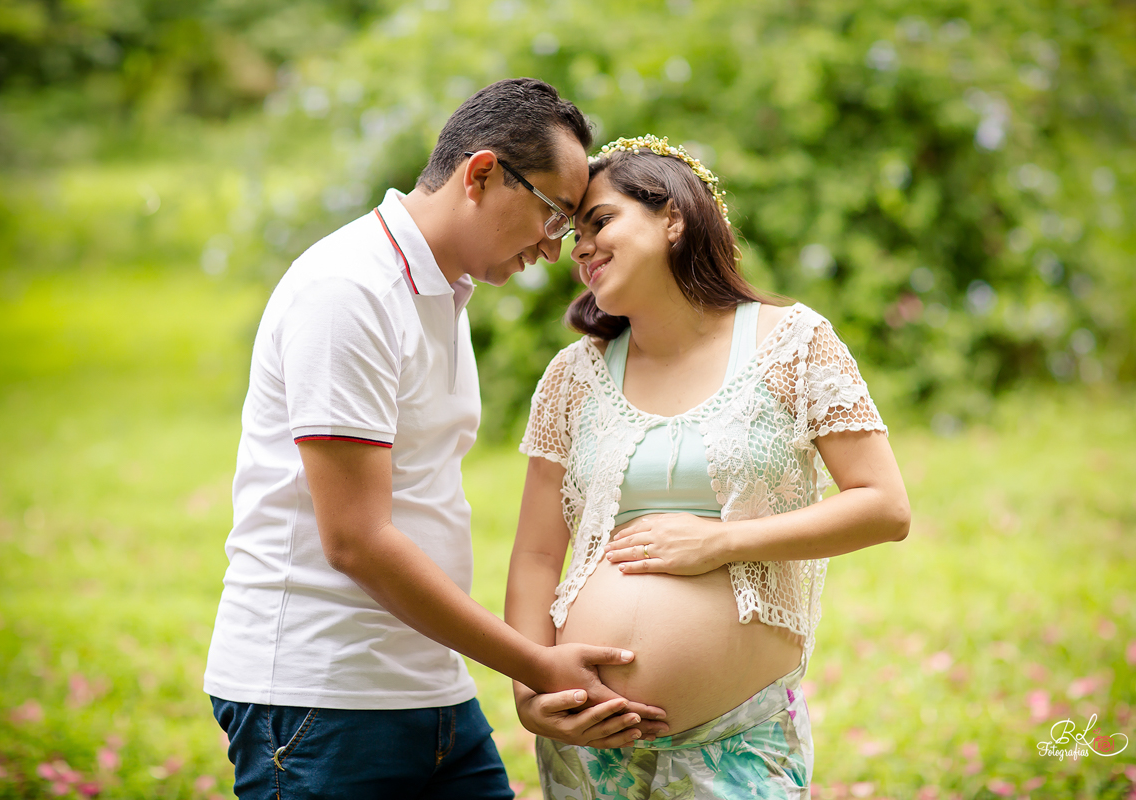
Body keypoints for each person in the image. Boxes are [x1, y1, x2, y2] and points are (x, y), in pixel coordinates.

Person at [202, 81, 666, 800]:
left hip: (427, 687)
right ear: (480, 174)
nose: (554, 249)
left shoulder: (443, 291)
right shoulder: (349, 291)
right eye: (551, 214)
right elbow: (354, 539)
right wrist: (539, 665)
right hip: (321, 698)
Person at [505, 135, 912, 800]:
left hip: (737, 744)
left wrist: (719, 542)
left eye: (600, 221)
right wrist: (530, 688)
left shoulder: (794, 344)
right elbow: (534, 558)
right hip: (587, 749)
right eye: (573, 234)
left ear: (673, 216)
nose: (580, 248)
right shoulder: (570, 378)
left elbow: (884, 505)